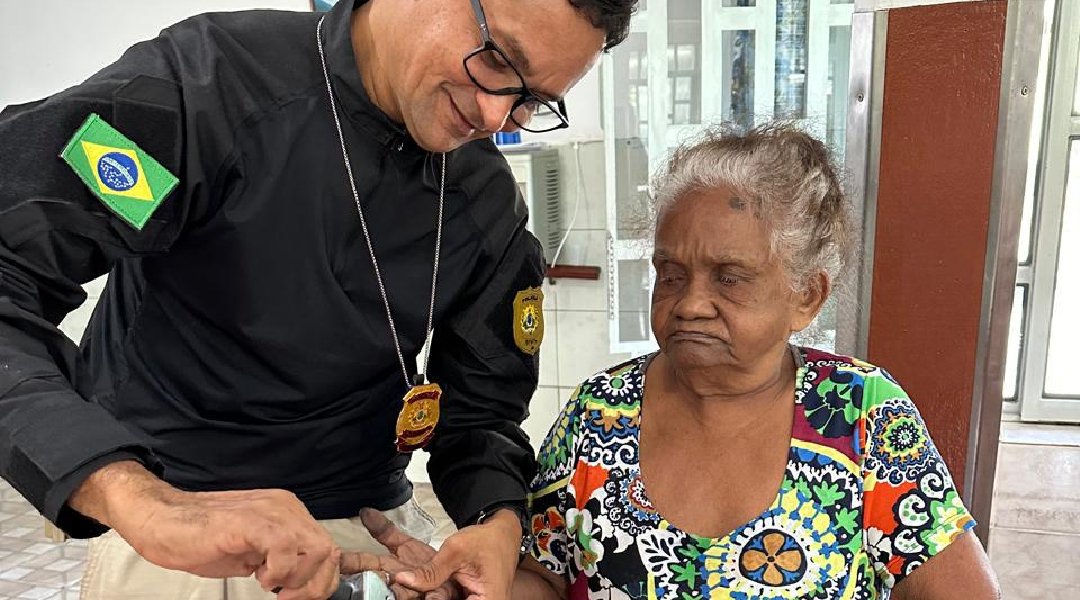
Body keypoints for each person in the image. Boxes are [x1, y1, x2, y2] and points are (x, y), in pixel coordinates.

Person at [0, 0, 636, 598]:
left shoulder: (485, 204)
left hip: (373, 538)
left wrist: (495, 519)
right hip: (181, 540)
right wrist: (136, 498)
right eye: (497, 60)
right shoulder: (209, 90)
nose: (496, 118)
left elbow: (481, 412)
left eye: (533, 101)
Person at [508, 124, 1002, 599]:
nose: (690, 304)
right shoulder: (598, 413)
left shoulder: (860, 413)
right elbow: (546, 579)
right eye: (672, 274)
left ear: (806, 296)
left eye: (729, 278)